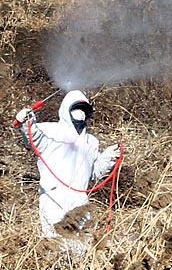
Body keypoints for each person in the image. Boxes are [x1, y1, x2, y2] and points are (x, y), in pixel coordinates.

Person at [15, 89, 121, 242]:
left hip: (80, 200)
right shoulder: (50, 131)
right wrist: (27, 121)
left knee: (81, 244)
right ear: (66, 110)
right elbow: (33, 139)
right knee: (55, 242)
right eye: (76, 109)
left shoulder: (91, 142)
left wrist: (108, 157)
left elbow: (94, 174)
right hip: (53, 196)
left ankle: (78, 266)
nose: (80, 114)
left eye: (83, 110)